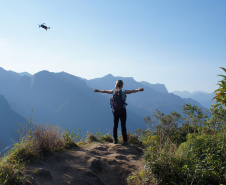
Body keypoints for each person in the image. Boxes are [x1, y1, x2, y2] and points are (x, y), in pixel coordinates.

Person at [93, 80, 144, 145]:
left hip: (115, 110)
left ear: (116, 85)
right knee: (123, 125)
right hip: (122, 110)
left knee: (115, 125)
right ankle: (125, 141)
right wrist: (138, 90)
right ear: (122, 85)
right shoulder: (122, 92)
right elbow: (131, 91)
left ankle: (115, 140)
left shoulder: (113, 91)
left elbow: (105, 91)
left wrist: (98, 90)